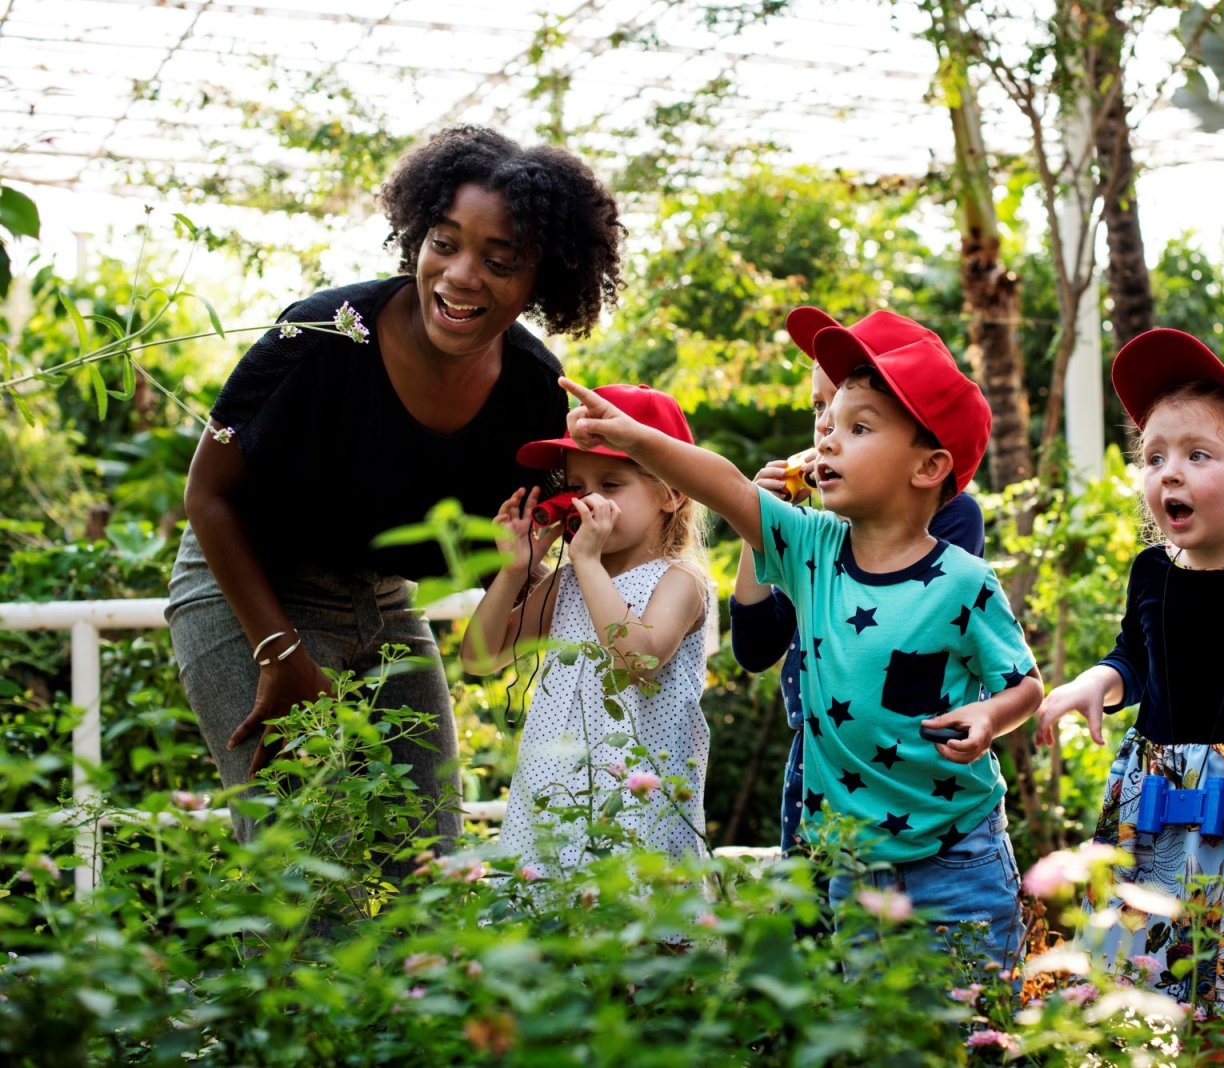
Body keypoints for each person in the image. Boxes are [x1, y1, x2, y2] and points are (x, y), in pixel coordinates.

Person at [168, 126, 626, 852]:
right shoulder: (319, 334)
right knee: (303, 858)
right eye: (444, 242)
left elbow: (523, 569)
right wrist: (280, 655)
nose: (461, 274)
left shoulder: (535, 391)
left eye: (500, 260)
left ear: (543, 280)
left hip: (381, 597)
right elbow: (207, 495)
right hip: (247, 587)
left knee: (430, 858)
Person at [558, 310, 1043, 973]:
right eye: (829, 421)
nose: (827, 439)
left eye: (858, 427)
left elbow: (1026, 685)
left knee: (966, 1030)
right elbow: (723, 485)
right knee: (859, 1029)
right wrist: (637, 440)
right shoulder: (810, 545)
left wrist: (990, 715)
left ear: (928, 466)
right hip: (845, 858)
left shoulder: (964, 579)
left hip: (955, 857)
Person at [1035, 329, 1224, 1059]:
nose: (1169, 474)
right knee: (1191, 997)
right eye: (1153, 456)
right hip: (1161, 808)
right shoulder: (1152, 571)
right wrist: (1094, 682)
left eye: (1197, 455)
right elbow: (1136, 655)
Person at [729, 307, 985, 856]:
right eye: (820, 408)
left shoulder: (953, 518)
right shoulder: (813, 532)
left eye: (855, 420)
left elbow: (913, 627)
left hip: (910, 773)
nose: (825, 428)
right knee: (816, 927)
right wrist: (761, 524)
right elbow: (754, 648)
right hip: (821, 758)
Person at [461, 384, 711, 870]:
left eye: (610, 484)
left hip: (637, 810)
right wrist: (514, 571)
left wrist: (588, 563)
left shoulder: (680, 581)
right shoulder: (571, 578)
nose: (585, 501)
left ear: (672, 493)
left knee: (637, 934)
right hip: (553, 803)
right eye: (576, 487)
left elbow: (635, 661)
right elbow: (480, 657)